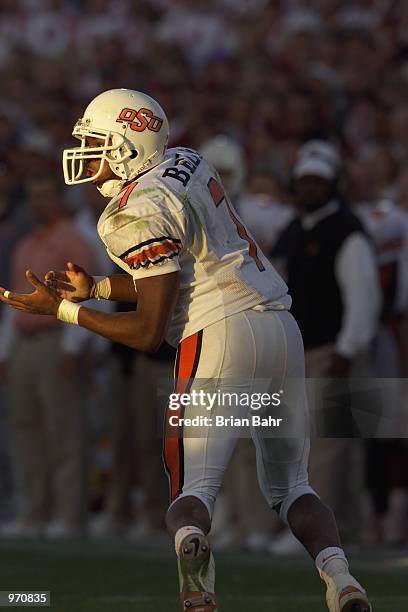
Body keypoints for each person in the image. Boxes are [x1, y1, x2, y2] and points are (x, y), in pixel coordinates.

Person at [0, 89, 371, 612]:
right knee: (293, 486)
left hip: (217, 338)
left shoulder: (129, 215)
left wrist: (62, 312)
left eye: (96, 143)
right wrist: (101, 289)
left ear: (128, 146)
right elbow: (177, 277)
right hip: (280, 329)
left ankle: (196, 577)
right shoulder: (185, 161)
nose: (85, 153)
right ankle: (341, 577)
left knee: (190, 494)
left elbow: (150, 330)